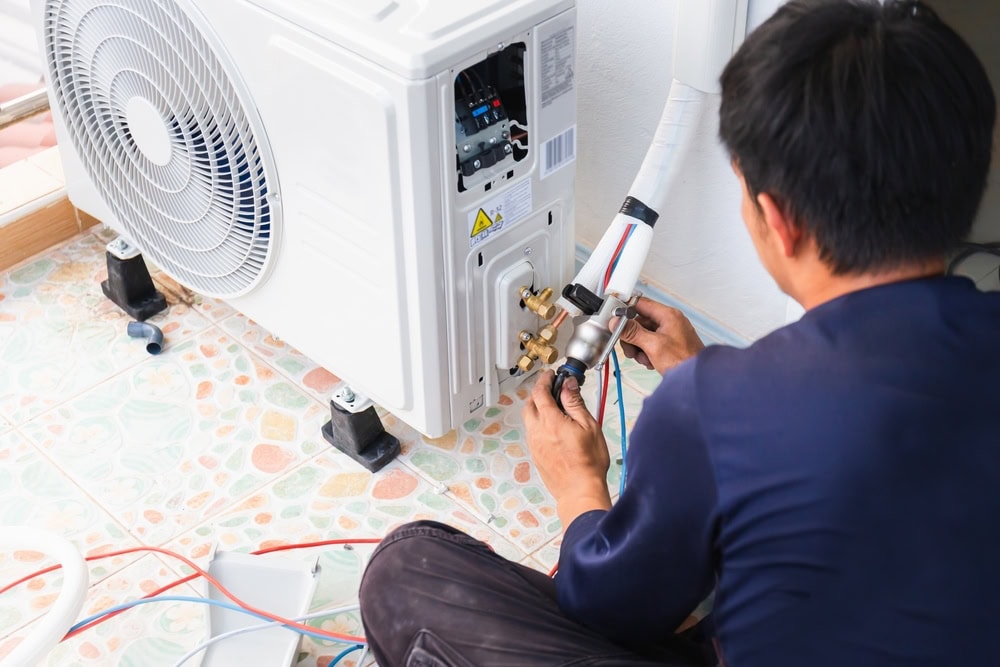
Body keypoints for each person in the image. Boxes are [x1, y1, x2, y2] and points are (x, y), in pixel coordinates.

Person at [359, 0, 1000, 665]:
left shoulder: (712, 408)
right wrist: (715, 380)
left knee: (408, 569)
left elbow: (610, 607)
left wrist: (577, 482)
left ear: (776, 220)